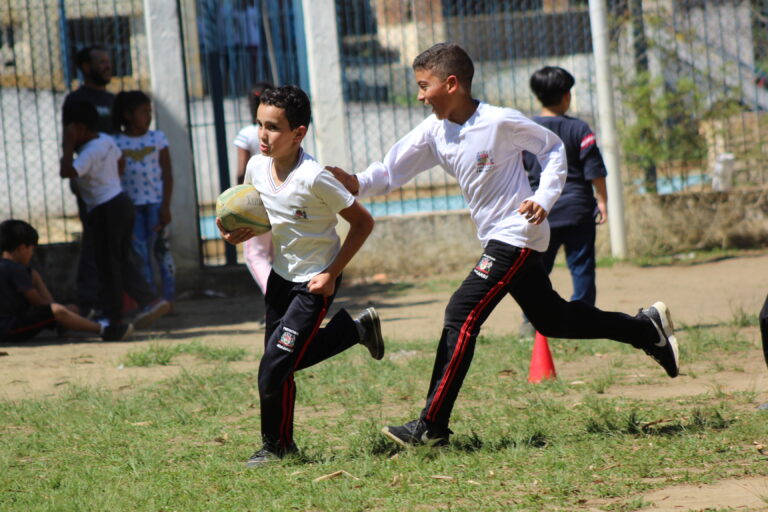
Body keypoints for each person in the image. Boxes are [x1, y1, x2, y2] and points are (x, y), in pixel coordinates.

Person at [327, 42, 680, 448]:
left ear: (452, 83)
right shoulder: (434, 130)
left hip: (517, 234)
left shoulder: (499, 122)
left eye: (425, 86)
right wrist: (356, 182)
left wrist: (544, 199)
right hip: (499, 237)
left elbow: (552, 151)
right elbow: (390, 170)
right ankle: (644, 329)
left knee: (461, 312)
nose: (420, 95)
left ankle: (431, 426)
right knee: (553, 320)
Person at [216, 85, 384, 466]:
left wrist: (331, 275)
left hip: (314, 283)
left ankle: (274, 448)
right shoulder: (256, 167)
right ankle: (354, 332)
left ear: (299, 133)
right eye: (259, 124)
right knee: (277, 366)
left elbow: (362, 223)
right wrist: (235, 232)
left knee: (272, 366)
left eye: (273, 127)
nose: (262, 134)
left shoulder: (316, 177)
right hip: (279, 280)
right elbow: (270, 221)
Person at [59, 100, 170, 333]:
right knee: (120, 260)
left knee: (109, 265)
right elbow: (120, 161)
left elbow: (66, 171)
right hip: (120, 201)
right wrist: (110, 182)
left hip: (105, 209)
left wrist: (67, 145)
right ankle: (149, 300)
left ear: (78, 128)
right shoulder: (106, 141)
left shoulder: (89, 152)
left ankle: (114, 317)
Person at [519, 66, 609, 337]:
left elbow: (521, 170)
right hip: (578, 209)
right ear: (567, 95)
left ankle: (530, 323)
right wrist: (602, 202)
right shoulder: (579, 128)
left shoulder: (527, 131)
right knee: (581, 266)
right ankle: (584, 320)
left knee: (535, 271)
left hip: (541, 211)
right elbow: (594, 169)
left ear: (537, 97)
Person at [0, 220, 133, 342]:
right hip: (8, 329)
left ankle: (69, 324)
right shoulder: (16, 269)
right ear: (22, 248)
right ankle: (104, 330)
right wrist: (36, 279)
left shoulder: (12, 268)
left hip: (9, 325)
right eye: (31, 249)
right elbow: (41, 304)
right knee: (59, 311)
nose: (32, 254)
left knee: (68, 309)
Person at [62, 46, 116, 315]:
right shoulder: (77, 100)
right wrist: (72, 173)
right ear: (85, 66)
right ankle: (88, 301)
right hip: (90, 184)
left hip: (114, 184)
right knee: (94, 241)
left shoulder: (113, 100)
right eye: (101, 62)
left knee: (115, 242)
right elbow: (70, 138)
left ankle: (112, 301)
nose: (108, 66)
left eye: (108, 61)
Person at [112, 91, 176, 307]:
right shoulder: (116, 142)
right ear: (128, 115)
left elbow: (167, 173)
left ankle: (168, 299)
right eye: (143, 112)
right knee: (140, 256)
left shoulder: (157, 138)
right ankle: (151, 302)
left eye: (150, 111)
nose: (148, 116)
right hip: (131, 208)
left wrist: (166, 206)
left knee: (162, 252)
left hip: (156, 205)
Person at [234, 82, 275, 295]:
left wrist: (237, 201)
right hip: (279, 197)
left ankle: (277, 300)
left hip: (256, 202)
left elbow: (241, 172)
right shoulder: (281, 131)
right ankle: (283, 305)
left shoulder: (247, 134)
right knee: (277, 256)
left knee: (256, 255)